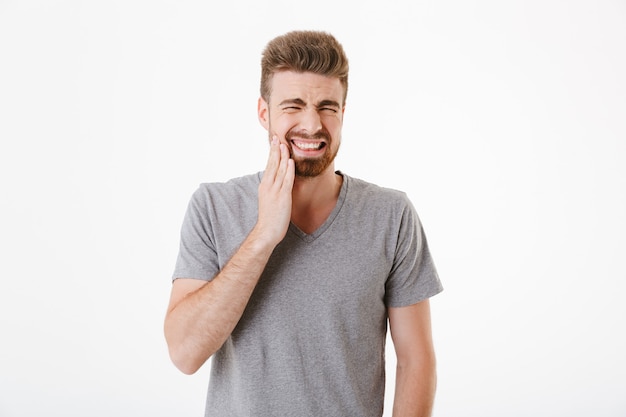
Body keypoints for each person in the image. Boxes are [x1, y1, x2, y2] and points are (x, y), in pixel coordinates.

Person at [164, 30, 443, 417]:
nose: (312, 125)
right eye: (293, 106)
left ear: (343, 113)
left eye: (327, 107)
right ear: (264, 113)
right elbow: (184, 353)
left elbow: (416, 361)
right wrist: (264, 236)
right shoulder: (213, 206)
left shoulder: (391, 215)